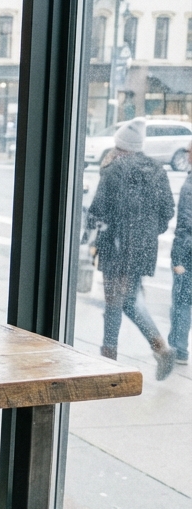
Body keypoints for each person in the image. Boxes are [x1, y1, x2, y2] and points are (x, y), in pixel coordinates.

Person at [87, 117, 175, 378]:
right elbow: (167, 211)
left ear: (121, 145)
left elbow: (98, 210)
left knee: (115, 302)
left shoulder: (114, 169)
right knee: (128, 300)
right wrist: (147, 235)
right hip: (142, 249)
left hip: (116, 247)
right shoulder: (158, 170)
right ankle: (159, 348)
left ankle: (110, 359)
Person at [171, 143, 192, 366]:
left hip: (188, 254)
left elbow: (185, 225)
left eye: (188, 151)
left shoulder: (190, 185)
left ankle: (180, 348)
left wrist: (178, 259)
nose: (186, 154)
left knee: (182, 302)